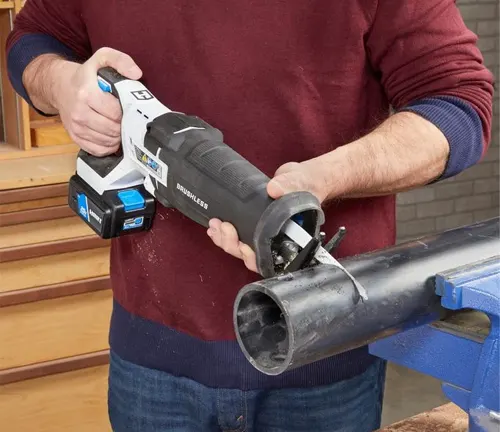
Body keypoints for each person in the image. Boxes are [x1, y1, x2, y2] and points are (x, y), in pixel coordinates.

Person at [6, 1, 493, 431]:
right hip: (155, 354)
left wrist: (325, 177)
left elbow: (458, 106)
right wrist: (65, 85)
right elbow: (31, 40)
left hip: (323, 345)